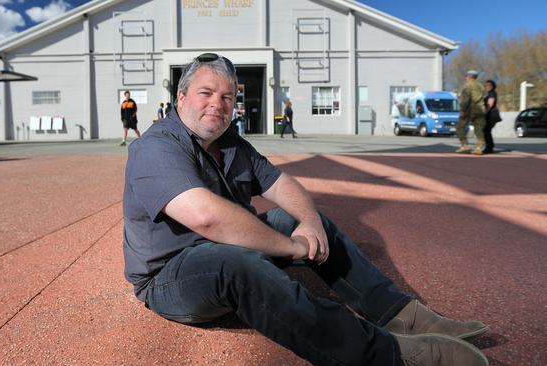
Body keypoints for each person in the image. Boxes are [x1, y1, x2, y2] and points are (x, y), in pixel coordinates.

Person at [123, 53, 489, 366]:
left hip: (227, 248)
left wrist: (310, 223)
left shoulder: (232, 143)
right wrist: (293, 247)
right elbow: (207, 217)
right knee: (237, 266)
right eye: (206, 93)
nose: (217, 104)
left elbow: (284, 186)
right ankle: (386, 354)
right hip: (173, 274)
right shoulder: (156, 146)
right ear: (181, 96)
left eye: (228, 96)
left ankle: (402, 315)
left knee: (298, 219)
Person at [455, 70, 486, 155]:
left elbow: (466, 99)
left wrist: (463, 110)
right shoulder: (480, 86)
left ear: (469, 76)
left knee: (460, 127)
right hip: (480, 108)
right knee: (479, 129)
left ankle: (464, 145)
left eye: (466, 76)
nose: (465, 78)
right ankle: (479, 148)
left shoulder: (468, 86)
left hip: (470, 108)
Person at [483, 80, 499, 154]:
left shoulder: (492, 94)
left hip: (491, 115)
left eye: (489, 85)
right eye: (486, 85)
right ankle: (489, 146)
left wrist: (485, 113)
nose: (487, 87)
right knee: (486, 131)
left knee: (486, 131)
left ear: (493, 86)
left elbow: (490, 104)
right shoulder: (489, 94)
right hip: (489, 115)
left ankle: (489, 147)